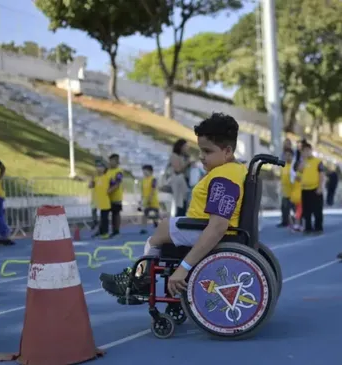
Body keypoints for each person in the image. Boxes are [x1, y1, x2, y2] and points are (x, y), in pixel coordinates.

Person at [100, 113, 246, 302]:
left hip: (208, 231)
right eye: (200, 150)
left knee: (157, 237)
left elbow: (218, 227)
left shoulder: (223, 178)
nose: (201, 157)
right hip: (202, 227)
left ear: (227, 151)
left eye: (207, 152)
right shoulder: (235, 170)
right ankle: (139, 278)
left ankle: (139, 283)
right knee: (165, 226)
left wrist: (183, 267)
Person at [299, 142, 325, 234]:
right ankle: (308, 228)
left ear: (311, 151)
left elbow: (321, 174)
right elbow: (300, 170)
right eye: (304, 151)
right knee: (307, 211)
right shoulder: (302, 162)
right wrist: (303, 160)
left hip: (315, 188)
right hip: (305, 190)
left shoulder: (318, 162)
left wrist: (320, 187)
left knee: (317, 210)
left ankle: (318, 227)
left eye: (308, 150)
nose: (306, 152)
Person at [90, 159, 111, 239]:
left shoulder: (107, 177)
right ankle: (100, 231)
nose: (98, 168)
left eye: (100, 166)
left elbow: (114, 185)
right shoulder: (95, 178)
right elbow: (90, 186)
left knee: (104, 218)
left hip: (105, 201)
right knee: (98, 218)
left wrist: (109, 191)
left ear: (104, 168)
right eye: (97, 166)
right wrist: (91, 179)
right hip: (96, 201)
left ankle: (105, 233)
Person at [169, 139, 190, 216]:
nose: (187, 148)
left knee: (184, 205)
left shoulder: (184, 156)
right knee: (180, 205)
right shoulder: (174, 156)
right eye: (186, 146)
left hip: (184, 183)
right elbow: (177, 170)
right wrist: (187, 163)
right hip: (178, 183)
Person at [139, 164, 160, 234]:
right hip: (146, 202)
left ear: (150, 171)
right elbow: (142, 191)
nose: (144, 173)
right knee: (144, 215)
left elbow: (153, 189)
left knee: (155, 216)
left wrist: (150, 199)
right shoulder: (143, 180)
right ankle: (143, 228)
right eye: (143, 171)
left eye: (145, 171)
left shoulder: (153, 179)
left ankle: (157, 225)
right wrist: (142, 200)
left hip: (153, 201)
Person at [108, 154, 124, 238]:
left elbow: (117, 183)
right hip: (107, 197)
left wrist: (109, 190)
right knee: (108, 214)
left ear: (117, 162)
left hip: (116, 197)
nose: (110, 162)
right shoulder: (108, 171)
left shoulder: (119, 171)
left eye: (112, 161)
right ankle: (108, 230)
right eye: (110, 160)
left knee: (116, 213)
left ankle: (116, 230)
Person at [277, 148, 294, 228]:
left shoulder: (293, 166)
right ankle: (284, 222)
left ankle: (298, 221)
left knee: (294, 209)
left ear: (292, 156)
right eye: (286, 155)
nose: (287, 157)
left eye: (289, 155)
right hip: (285, 191)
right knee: (284, 208)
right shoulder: (283, 166)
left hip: (293, 192)